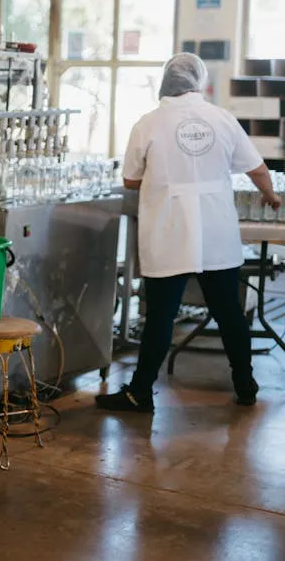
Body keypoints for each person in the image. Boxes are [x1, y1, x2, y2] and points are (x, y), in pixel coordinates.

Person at [96, 53, 281, 413]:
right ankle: (245, 384)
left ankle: (141, 392)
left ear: (166, 80)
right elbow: (257, 168)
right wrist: (270, 196)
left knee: (161, 315)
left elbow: (131, 180)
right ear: (199, 81)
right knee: (228, 311)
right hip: (215, 229)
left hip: (170, 229)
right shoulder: (222, 118)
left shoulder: (148, 123)